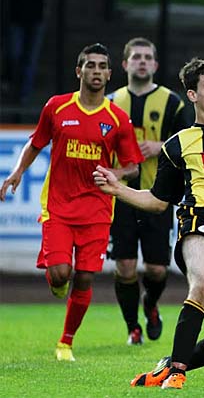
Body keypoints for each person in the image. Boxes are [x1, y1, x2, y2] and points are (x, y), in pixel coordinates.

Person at [93, 58, 204, 389]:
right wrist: (118, 189)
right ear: (192, 95)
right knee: (203, 282)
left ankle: (170, 363)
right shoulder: (177, 145)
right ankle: (176, 373)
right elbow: (159, 200)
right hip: (198, 220)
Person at [0, 43, 144, 362]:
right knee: (61, 273)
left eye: (102, 66)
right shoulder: (57, 107)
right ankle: (58, 282)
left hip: (97, 209)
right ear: (79, 71)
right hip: (59, 206)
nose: (96, 71)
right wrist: (16, 172)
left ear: (109, 73)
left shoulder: (117, 119)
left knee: (86, 276)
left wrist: (114, 174)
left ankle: (65, 342)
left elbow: (133, 165)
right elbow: (36, 142)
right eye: (89, 65)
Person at [106, 37, 191, 345]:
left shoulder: (173, 102)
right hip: (123, 196)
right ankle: (133, 327)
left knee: (156, 270)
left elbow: (192, 140)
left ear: (155, 65)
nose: (142, 61)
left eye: (147, 57)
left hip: (158, 196)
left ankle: (151, 304)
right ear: (126, 64)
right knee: (125, 266)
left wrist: (162, 146)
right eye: (136, 57)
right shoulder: (111, 102)